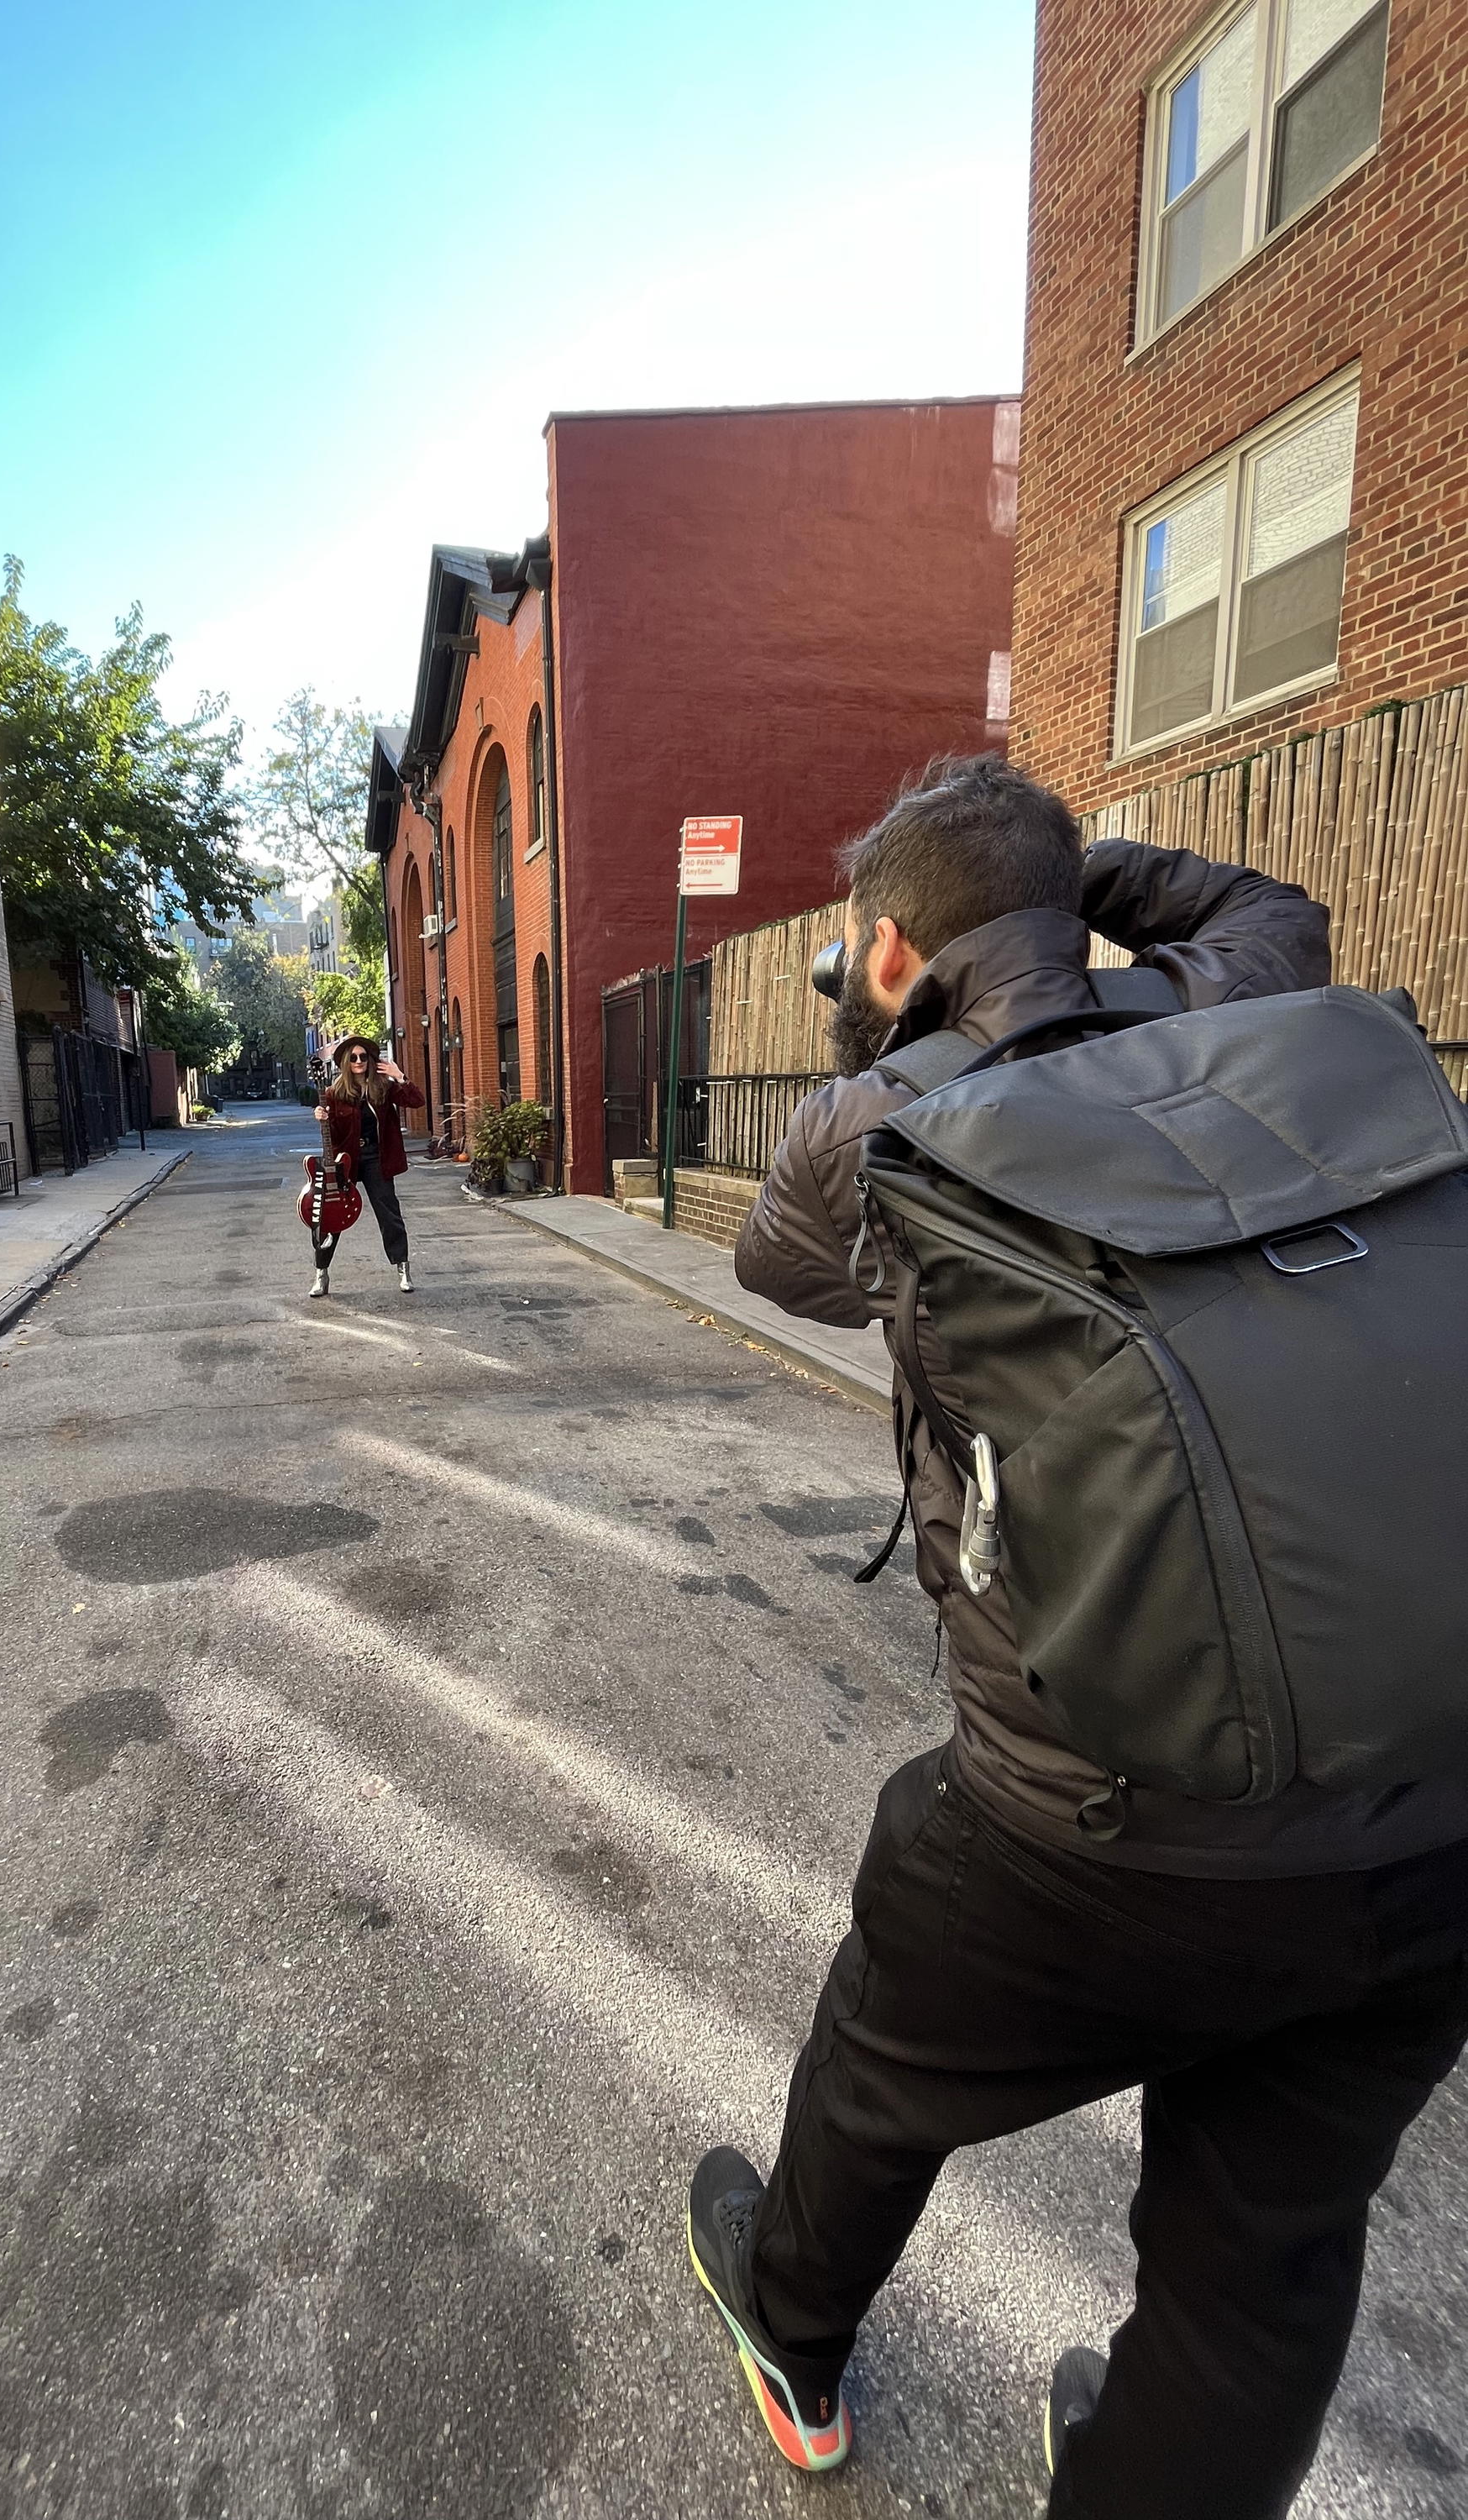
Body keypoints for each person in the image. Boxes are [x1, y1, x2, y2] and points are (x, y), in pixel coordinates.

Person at [686, 757, 1468, 2515]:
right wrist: (1055, 890)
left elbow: (786, 1267)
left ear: (888, 952)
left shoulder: (875, 1121)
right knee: (1269, 2246)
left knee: (885, 2063)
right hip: (1434, 1796)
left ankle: (795, 2335)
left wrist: (943, 969)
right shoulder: (1252, 992)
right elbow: (1275, 911)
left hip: (1097, 1825)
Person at [309, 1035, 425, 1299]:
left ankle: (403, 1269)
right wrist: (322, 1118)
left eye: (363, 1057)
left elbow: (417, 1101)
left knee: (389, 1214)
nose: (359, 1061)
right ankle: (321, 1273)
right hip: (345, 1162)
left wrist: (400, 1075)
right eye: (353, 1057)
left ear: (370, 1060)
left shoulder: (383, 1087)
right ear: (345, 1063)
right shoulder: (334, 1093)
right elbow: (334, 1135)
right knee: (331, 1215)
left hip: (376, 1159)